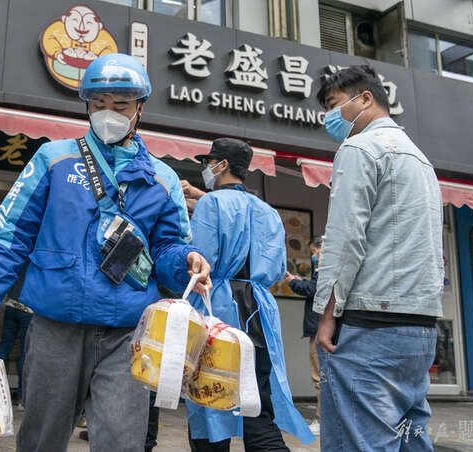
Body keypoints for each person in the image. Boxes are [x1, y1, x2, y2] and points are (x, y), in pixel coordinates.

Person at [0, 53, 212, 452]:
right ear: (87, 105)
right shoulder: (53, 159)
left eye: (120, 105)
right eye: (98, 103)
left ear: (140, 108)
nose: (108, 113)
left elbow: (167, 248)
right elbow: (11, 235)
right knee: (40, 442)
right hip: (56, 326)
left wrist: (186, 261)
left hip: (128, 334)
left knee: (122, 444)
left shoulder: (162, 179)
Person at [313, 65, 443, 451]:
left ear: (365, 98)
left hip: (370, 325)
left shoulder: (359, 148)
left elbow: (345, 239)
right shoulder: (421, 159)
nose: (329, 117)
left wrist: (326, 314)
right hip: (420, 328)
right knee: (409, 437)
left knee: (360, 441)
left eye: (334, 105)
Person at [181, 138, 314, 451]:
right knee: (258, 405)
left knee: (209, 400)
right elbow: (278, 268)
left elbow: (201, 260)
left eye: (208, 162)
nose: (206, 168)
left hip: (218, 308)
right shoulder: (267, 211)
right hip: (260, 312)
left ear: (222, 165)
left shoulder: (211, 204)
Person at [283, 236, 323, 436]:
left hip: (320, 328)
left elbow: (314, 289)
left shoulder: (325, 267)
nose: (314, 257)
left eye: (314, 252)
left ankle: (322, 420)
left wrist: (293, 283)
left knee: (320, 377)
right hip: (323, 327)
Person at [0, 271, 32, 410]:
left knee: (4, 347)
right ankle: (22, 399)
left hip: (10, 306)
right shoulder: (37, 262)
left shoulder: (19, 260)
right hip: (28, 309)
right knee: (25, 352)